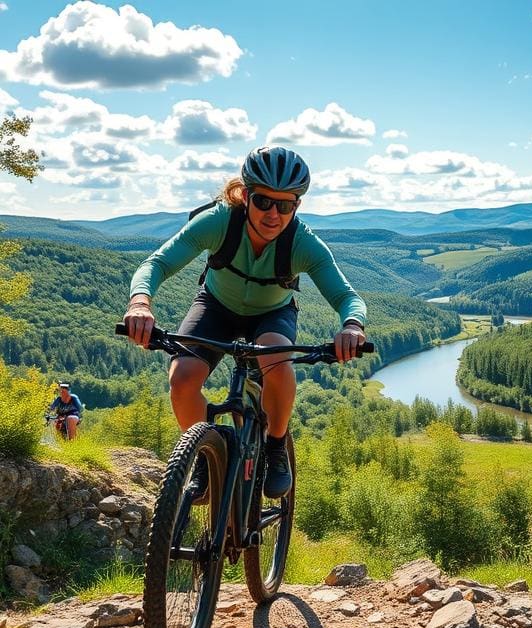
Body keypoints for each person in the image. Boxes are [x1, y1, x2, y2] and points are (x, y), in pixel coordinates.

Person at [123, 146, 367, 499]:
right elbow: (156, 264)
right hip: (215, 306)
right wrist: (140, 303)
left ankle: (276, 445)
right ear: (245, 195)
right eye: (264, 201)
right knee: (182, 378)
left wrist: (352, 326)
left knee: (276, 357)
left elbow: (346, 296)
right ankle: (205, 454)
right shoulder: (218, 222)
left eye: (285, 205)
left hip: (272, 315)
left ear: (297, 206)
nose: (273, 214)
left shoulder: (303, 243)